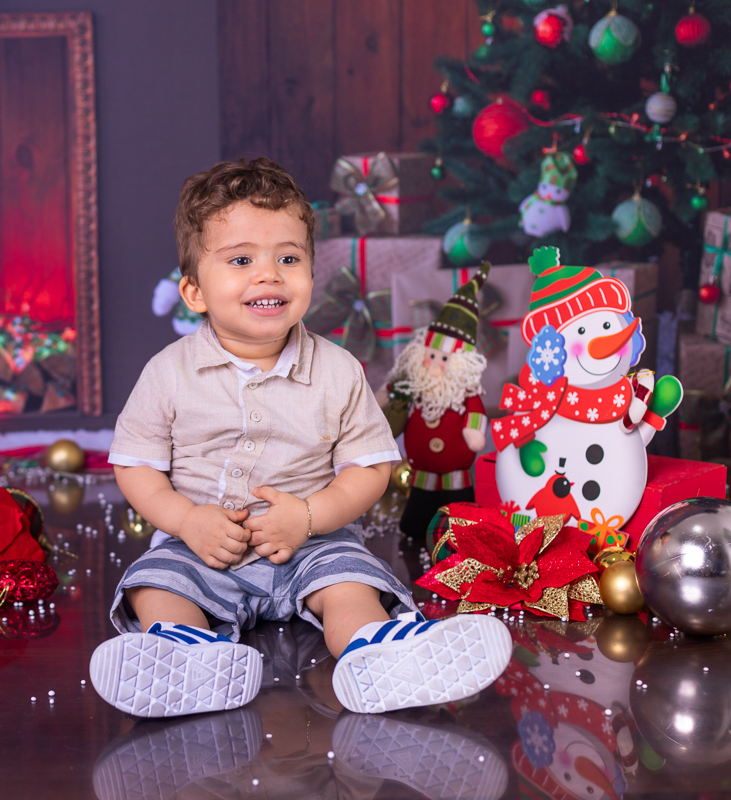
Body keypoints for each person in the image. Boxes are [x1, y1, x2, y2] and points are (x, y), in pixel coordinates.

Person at [89, 158, 510, 718]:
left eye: (288, 259)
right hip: (201, 544)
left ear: (312, 273)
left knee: (351, 583)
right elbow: (136, 465)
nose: (269, 275)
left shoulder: (337, 370)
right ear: (194, 291)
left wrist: (310, 516)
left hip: (312, 542)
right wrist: (186, 520)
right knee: (156, 583)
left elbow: (370, 468)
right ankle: (184, 655)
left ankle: (380, 655)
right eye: (241, 260)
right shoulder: (169, 371)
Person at [379, 265, 490, 540]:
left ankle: (461, 533)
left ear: (461, 363)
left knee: (459, 504)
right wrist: (380, 397)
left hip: (457, 471)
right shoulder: (415, 383)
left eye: (444, 359)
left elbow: (476, 411)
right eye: (431, 356)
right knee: (420, 504)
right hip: (421, 470)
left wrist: (474, 432)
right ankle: (416, 528)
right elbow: (391, 392)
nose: (435, 363)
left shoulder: (465, 390)